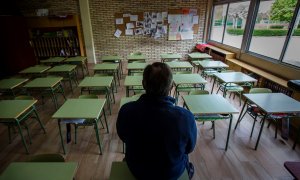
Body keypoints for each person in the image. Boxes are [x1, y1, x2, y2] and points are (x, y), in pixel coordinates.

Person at [117, 62, 197, 180]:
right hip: (171, 174)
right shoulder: (186, 117)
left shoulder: (126, 110)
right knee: (186, 159)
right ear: (170, 87)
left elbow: (123, 136)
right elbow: (189, 148)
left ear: (143, 84)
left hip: (137, 170)